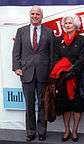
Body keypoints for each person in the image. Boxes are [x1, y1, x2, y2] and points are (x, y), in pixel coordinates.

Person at [12, 6, 54, 142]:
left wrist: (52, 72)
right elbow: (16, 52)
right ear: (30, 15)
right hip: (26, 73)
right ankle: (30, 132)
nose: (35, 16)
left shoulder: (49, 32)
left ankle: (42, 132)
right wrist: (16, 67)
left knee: (43, 104)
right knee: (29, 105)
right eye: (33, 14)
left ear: (41, 16)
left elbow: (52, 54)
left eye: (38, 14)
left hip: (44, 73)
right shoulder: (21, 31)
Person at [53, 15, 84, 142]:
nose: (67, 25)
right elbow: (56, 57)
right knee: (65, 105)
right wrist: (62, 72)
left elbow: (81, 59)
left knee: (77, 105)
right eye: (66, 23)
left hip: (78, 76)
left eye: (70, 23)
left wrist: (72, 72)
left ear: (76, 25)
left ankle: (75, 131)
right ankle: (66, 130)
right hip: (62, 77)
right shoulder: (58, 40)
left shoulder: (83, 40)